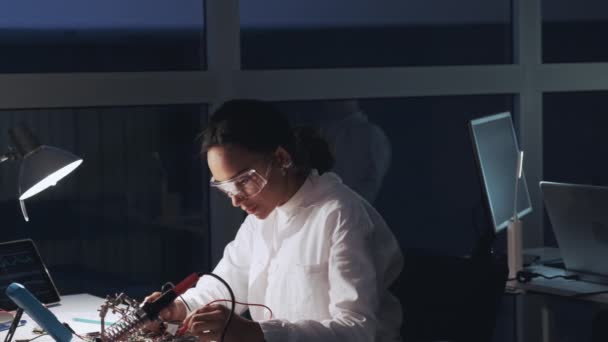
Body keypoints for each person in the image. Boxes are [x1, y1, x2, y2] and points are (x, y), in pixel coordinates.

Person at [146, 99, 403, 342]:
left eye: (244, 181)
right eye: (227, 188)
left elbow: (356, 330)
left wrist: (254, 333)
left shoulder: (339, 214)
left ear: (281, 158)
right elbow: (227, 281)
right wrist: (178, 307)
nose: (236, 200)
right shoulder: (263, 216)